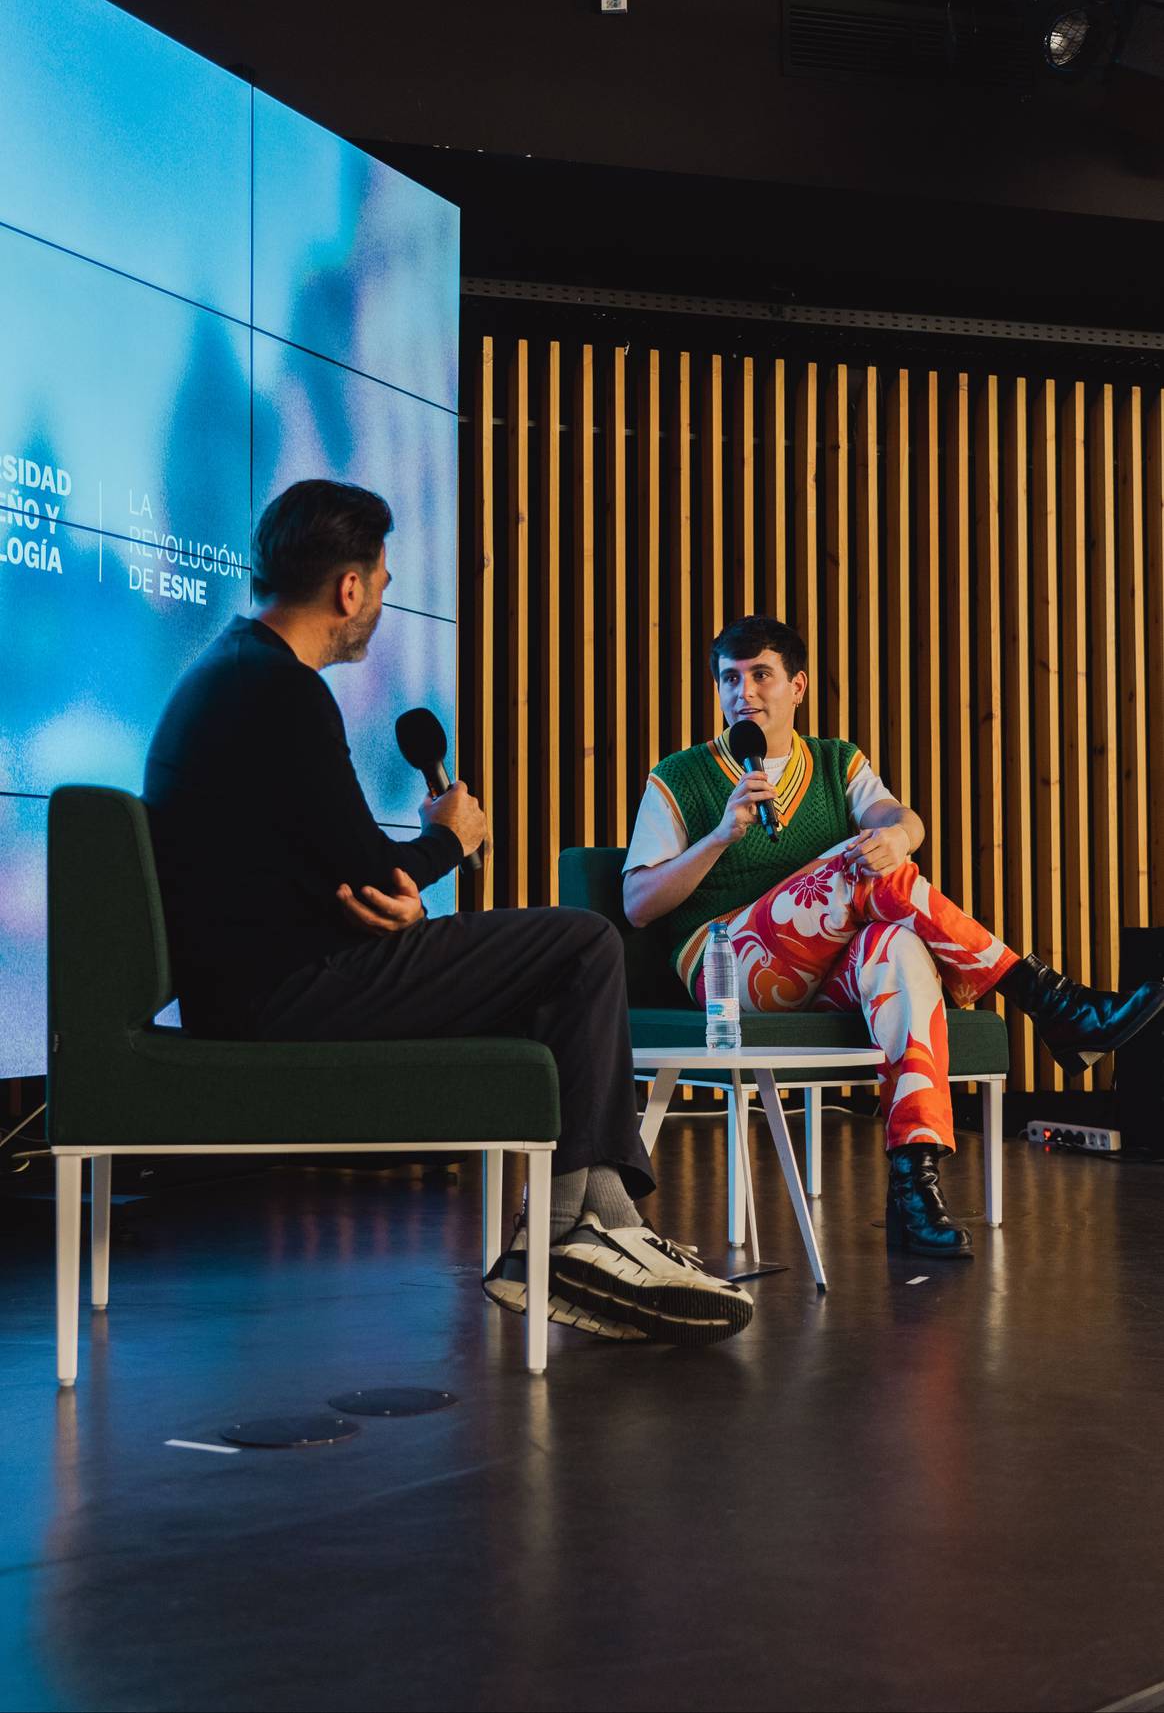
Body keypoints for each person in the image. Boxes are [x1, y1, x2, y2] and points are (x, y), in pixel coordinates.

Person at [144, 479, 752, 1345]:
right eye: (384, 584)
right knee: (582, 943)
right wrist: (451, 840)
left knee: (557, 974)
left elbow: (338, 877)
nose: (383, 602)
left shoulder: (235, 670)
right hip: (283, 997)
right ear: (349, 589)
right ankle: (582, 1234)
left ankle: (593, 1224)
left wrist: (382, 893)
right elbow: (374, 870)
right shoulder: (278, 690)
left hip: (270, 977)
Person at [623, 614, 1164, 1256]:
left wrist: (900, 836)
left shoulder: (834, 761)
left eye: (761, 675)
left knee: (899, 946)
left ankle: (915, 1184)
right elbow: (636, 904)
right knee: (861, 867)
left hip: (821, 976)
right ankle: (1053, 1003)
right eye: (730, 679)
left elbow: (897, 819)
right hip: (728, 973)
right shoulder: (680, 775)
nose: (745, 693)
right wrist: (720, 835)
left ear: (796, 687)